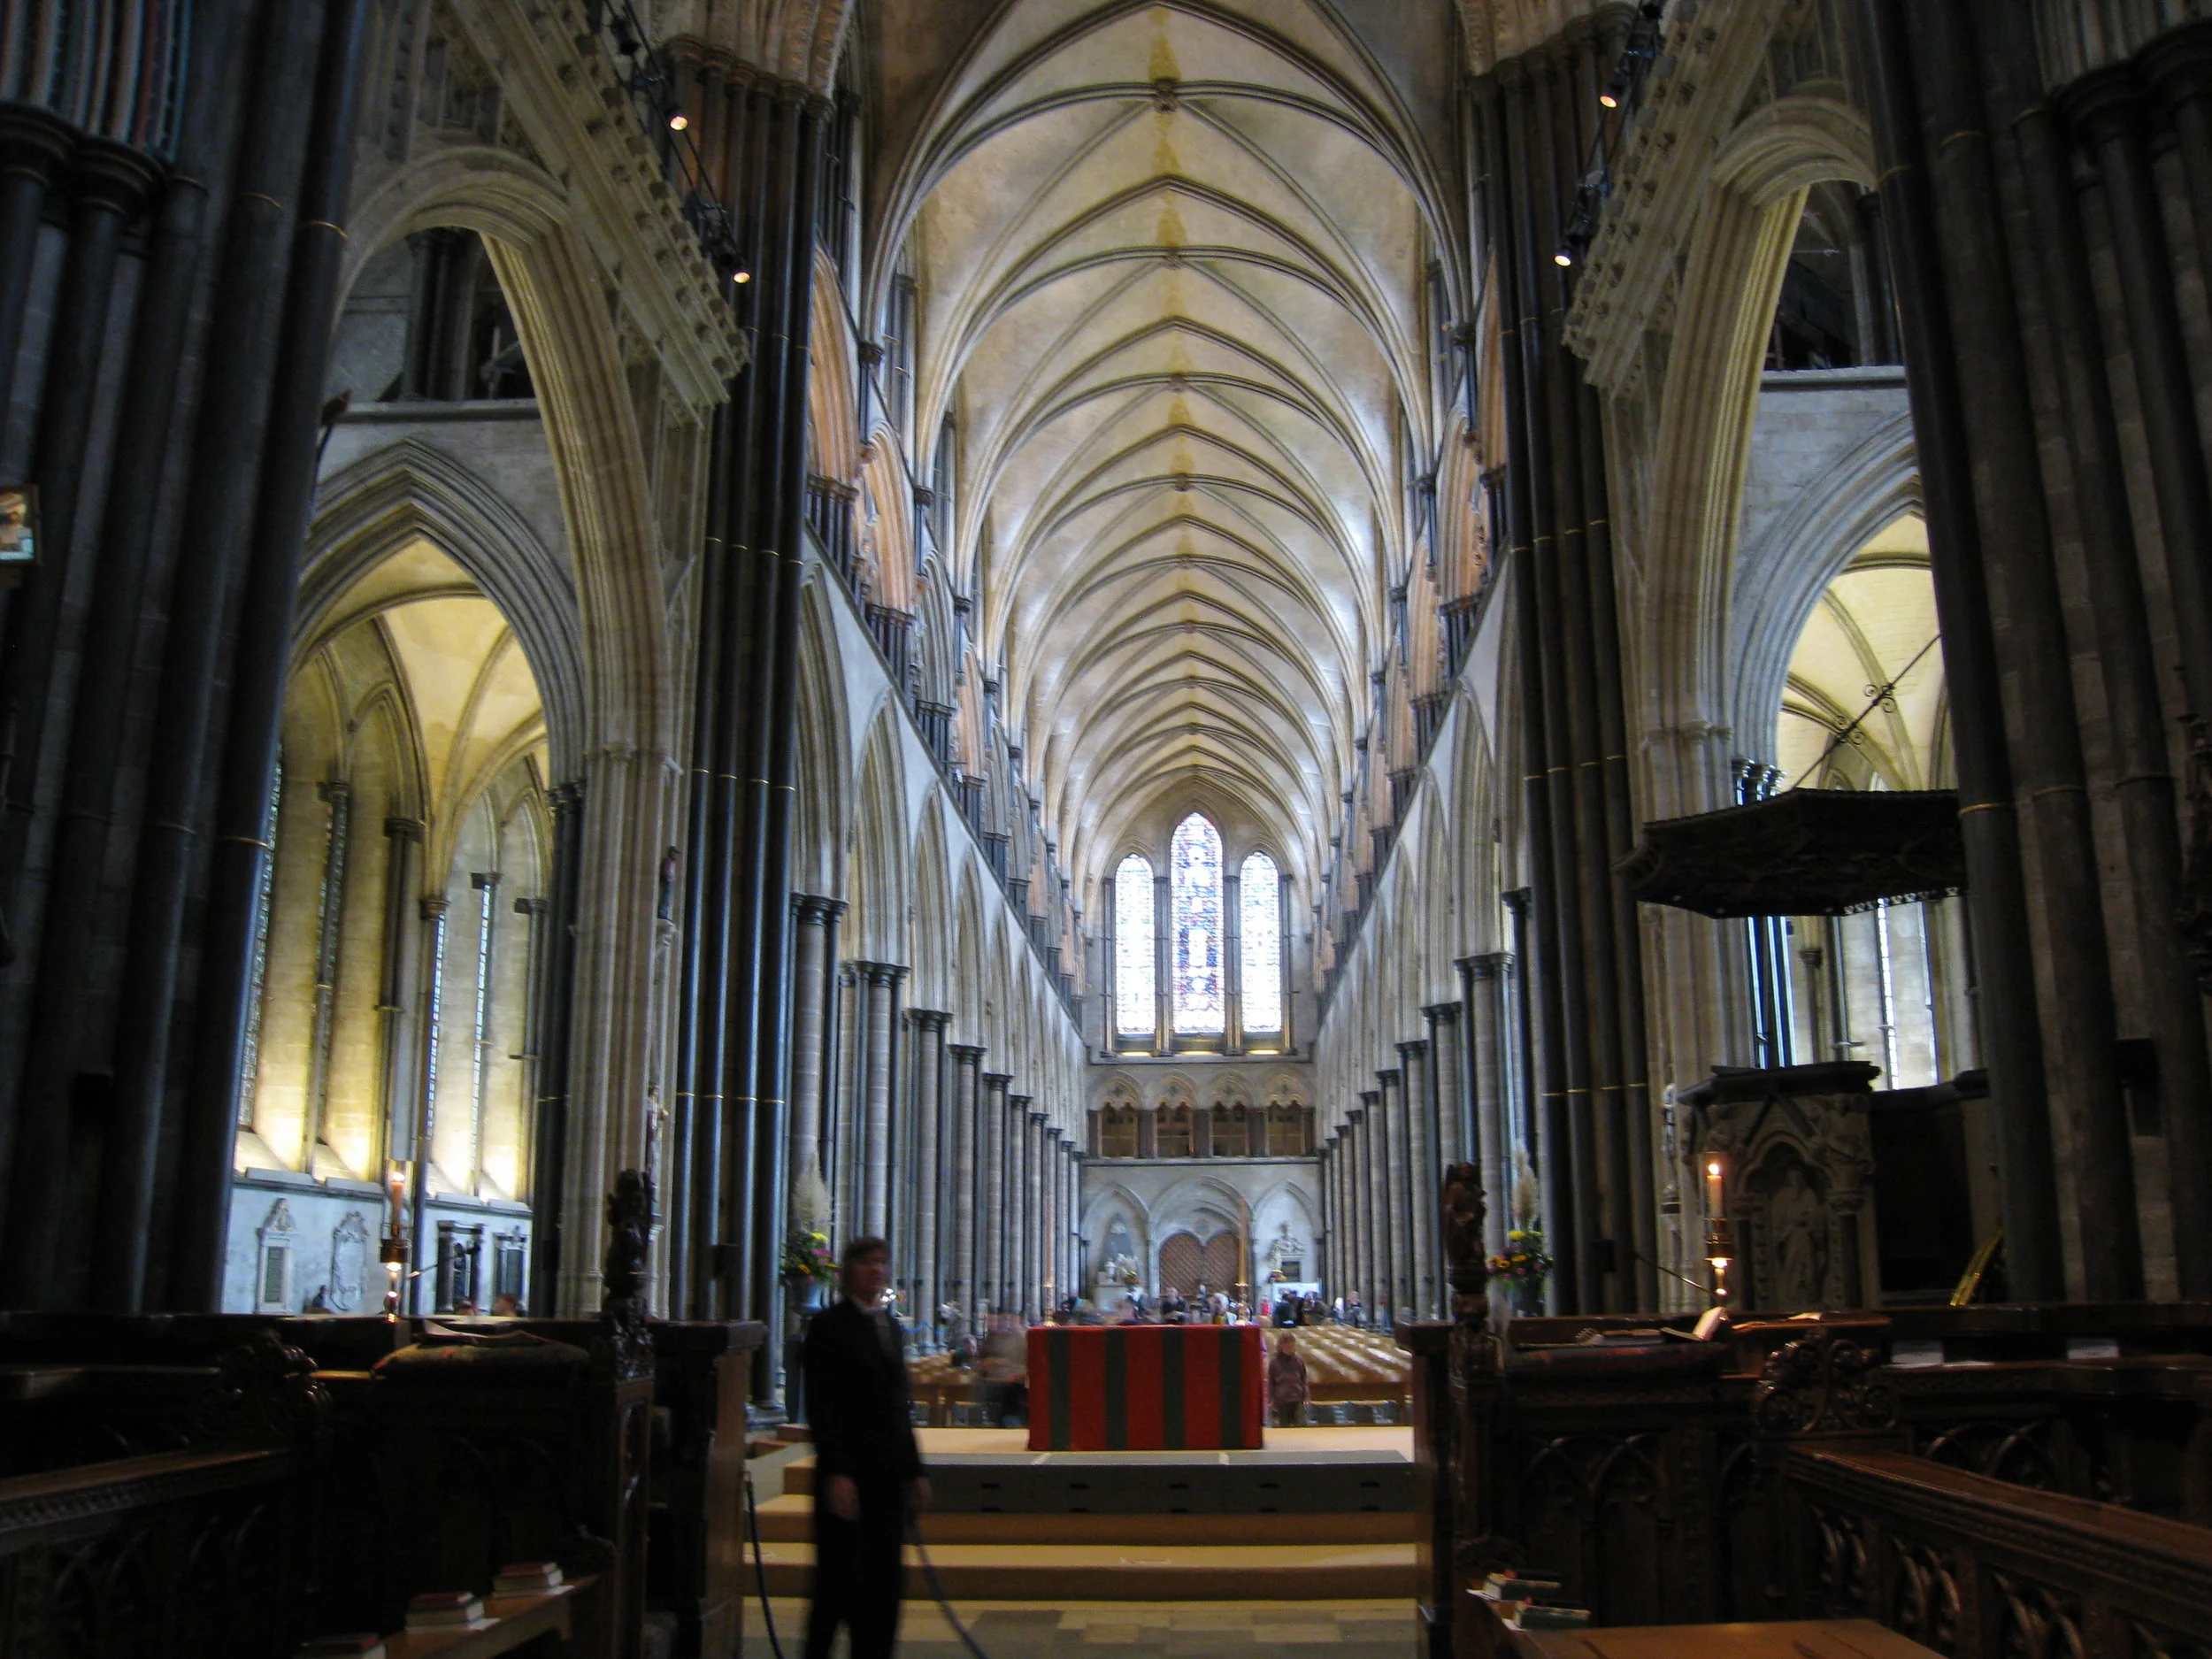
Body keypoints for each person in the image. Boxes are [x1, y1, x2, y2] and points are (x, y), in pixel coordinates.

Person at [802, 1236, 929, 1659]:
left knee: (884, 1584)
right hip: (849, 1476)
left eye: (881, 1263)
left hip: (888, 1475)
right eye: (867, 1263)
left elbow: (898, 1404)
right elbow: (823, 1408)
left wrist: (915, 1471)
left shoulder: (890, 1325)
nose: (876, 1270)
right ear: (847, 1272)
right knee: (837, 1583)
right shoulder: (827, 1327)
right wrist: (837, 1471)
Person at [1269, 1333, 1310, 1428]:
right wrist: (1271, 1400)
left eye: (1292, 1347)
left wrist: (1306, 1396)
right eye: (1288, 1347)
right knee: (1284, 1427)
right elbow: (1271, 1383)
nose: (1291, 1349)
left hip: (1297, 1398)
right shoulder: (1274, 1362)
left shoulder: (1299, 1360)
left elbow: (1304, 1380)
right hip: (1281, 1400)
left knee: (1301, 1425)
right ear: (1281, 1347)